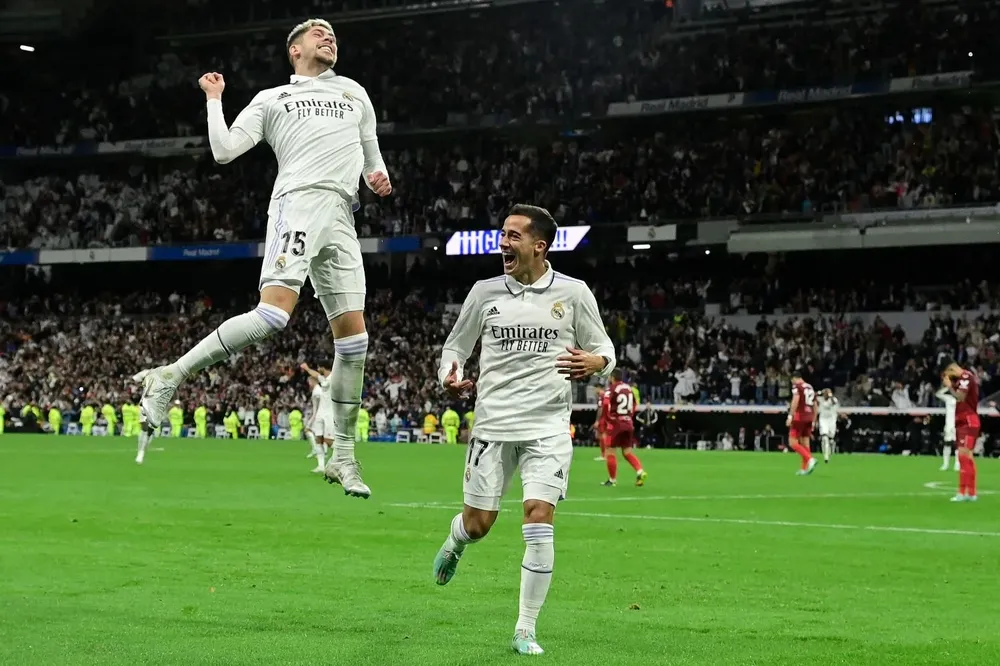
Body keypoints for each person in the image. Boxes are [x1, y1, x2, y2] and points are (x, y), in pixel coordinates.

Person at [130, 18, 388, 498]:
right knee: (272, 316)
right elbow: (225, 151)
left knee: (354, 345)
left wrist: (378, 175)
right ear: (294, 50)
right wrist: (213, 101)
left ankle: (345, 459)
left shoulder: (355, 92)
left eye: (332, 33)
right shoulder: (274, 99)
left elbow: (371, 152)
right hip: (299, 202)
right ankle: (172, 376)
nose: (329, 37)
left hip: (342, 213)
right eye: (318, 34)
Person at [431, 204, 616, 656]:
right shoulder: (484, 291)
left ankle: (525, 628)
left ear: (540, 245)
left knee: (539, 517)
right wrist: (448, 375)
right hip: (494, 423)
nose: (504, 243)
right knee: (479, 525)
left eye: (514, 235)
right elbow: (456, 346)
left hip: (549, 427)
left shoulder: (573, 294)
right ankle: (456, 540)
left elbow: (605, 349)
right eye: (502, 234)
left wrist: (596, 363)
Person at [940, 360, 980, 502]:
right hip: (966, 421)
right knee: (967, 458)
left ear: (952, 369)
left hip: (967, 421)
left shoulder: (965, 378)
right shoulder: (965, 379)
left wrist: (949, 386)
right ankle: (972, 493)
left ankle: (962, 492)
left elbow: (961, 397)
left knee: (963, 458)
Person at [601, 370, 646, 487]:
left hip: (616, 423)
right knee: (627, 451)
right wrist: (629, 416)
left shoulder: (612, 388)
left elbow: (605, 403)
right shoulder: (629, 388)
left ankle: (612, 480)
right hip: (628, 423)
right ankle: (640, 471)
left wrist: (608, 418)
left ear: (612, 378)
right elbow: (635, 404)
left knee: (610, 450)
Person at [301, 364, 336, 476]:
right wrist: (306, 369)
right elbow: (315, 374)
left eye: (319, 367)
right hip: (321, 413)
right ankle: (321, 466)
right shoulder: (323, 379)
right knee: (318, 438)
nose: (317, 370)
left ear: (323, 367)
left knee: (329, 441)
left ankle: (345, 457)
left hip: (330, 413)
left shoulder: (333, 377)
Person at [786, 374, 817, 475]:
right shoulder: (810, 387)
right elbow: (815, 405)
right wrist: (814, 420)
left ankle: (810, 459)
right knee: (805, 443)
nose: (793, 384)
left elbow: (795, 400)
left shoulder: (797, 387)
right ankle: (804, 469)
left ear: (795, 379)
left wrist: (790, 416)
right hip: (809, 417)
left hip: (799, 417)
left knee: (792, 442)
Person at [935, 383, 961, 472]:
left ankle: (957, 464)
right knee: (947, 444)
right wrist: (947, 387)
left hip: (958, 425)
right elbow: (938, 394)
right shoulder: (949, 399)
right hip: (949, 425)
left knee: (957, 445)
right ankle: (945, 464)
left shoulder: (963, 401)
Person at [816, 388, 838, 463]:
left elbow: (834, 402)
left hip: (831, 420)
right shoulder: (820, 399)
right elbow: (813, 397)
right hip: (823, 420)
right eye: (825, 393)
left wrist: (830, 396)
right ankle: (826, 456)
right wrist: (819, 392)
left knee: (831, 438)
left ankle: (831, 451)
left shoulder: (833, 399)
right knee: (825, 438)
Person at [593, 387, 610, 461]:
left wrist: (597, 420)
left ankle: (604, 455)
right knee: (603, 435)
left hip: (603, 418)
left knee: (602, 435)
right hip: (608, 417)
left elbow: (600, 409)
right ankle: (606, 454)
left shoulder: (601, 396)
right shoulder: (607, 395)